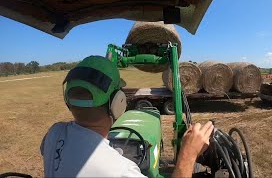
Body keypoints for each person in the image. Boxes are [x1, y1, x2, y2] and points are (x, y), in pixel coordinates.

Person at [40, 55, 214, 177]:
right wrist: (188, 154)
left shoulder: (54, 134)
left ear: (68, 101)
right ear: (117, 103)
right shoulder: (121, 171)